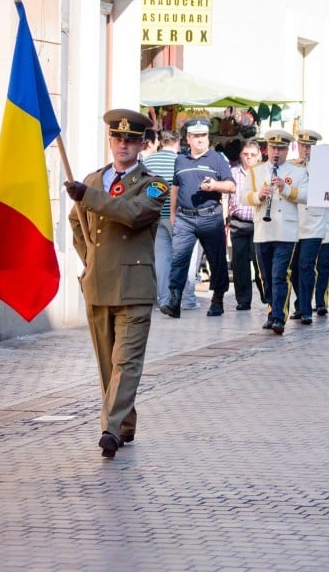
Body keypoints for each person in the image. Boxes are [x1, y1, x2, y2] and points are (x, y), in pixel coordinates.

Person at [65, 108, 166, 459]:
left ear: (142, 144)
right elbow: (76, 222)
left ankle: (110, 430)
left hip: (134, 286)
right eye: (118, 138)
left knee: (126, 362)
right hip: (98, 284)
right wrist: (89, 258)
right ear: (110, 140)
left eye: (131, 139)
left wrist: (86, 196)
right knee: (108, 364)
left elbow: (133, 214)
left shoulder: (154, 184)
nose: (123, 144)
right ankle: (124, 422)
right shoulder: (93, 180)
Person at [160, 118, 236, 318]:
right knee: (179, 260)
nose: (200, 140)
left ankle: (217, 300)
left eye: (203, 136)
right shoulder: (180, 159)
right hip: (184, 218)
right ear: (188, 138)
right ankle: (174, 302)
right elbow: (175, 187)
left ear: (208, 137)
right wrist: (173, 213)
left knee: (216, 260)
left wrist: (215, 186)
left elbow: (231, 185)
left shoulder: (217, 158)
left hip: (210, 217)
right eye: (196, 136)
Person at [240, 129, 308, 334]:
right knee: (265, 277)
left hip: (286, 231)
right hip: (263, 229)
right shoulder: (256, 171)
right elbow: (243, 197)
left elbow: (306, 195)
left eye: (281, 148)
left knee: (280, 275)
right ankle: (272, 310)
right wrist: (258, 195)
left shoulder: (297, 172)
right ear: (267, 149)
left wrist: (285, 189)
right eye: (273, 148)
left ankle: (279, 317)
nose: (276, 152)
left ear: (288, 150)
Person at [143, 130, 199, 311]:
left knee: (162, 258)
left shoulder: (148, 161)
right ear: (177, 143)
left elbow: (146, 189)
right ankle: (188, 299)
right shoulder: (182, 161)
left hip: (157, 216)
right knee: (185, 257)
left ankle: (165, 299)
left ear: (159, 142)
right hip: (180, 216)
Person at [289, 129, 325, 324]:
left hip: (314, 223)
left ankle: (306, 309)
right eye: (302, 145)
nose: (305, 149)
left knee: (306, 265)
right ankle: (301, 303)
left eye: (309, 146)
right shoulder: (291, 166)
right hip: (295, 222)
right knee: (294, 268)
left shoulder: (321, 168)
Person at [226, 140, 266, 310]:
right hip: (238, 223)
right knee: (239, 265)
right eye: (246, 154)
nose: (248, 158)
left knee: (261, 264)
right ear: (241, 155)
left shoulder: (266, 173)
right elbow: (226, 197)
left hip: (259, 225)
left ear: (259, 156)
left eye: (252, 155)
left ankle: (267, 297)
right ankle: (243, 301)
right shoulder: (233, 173)